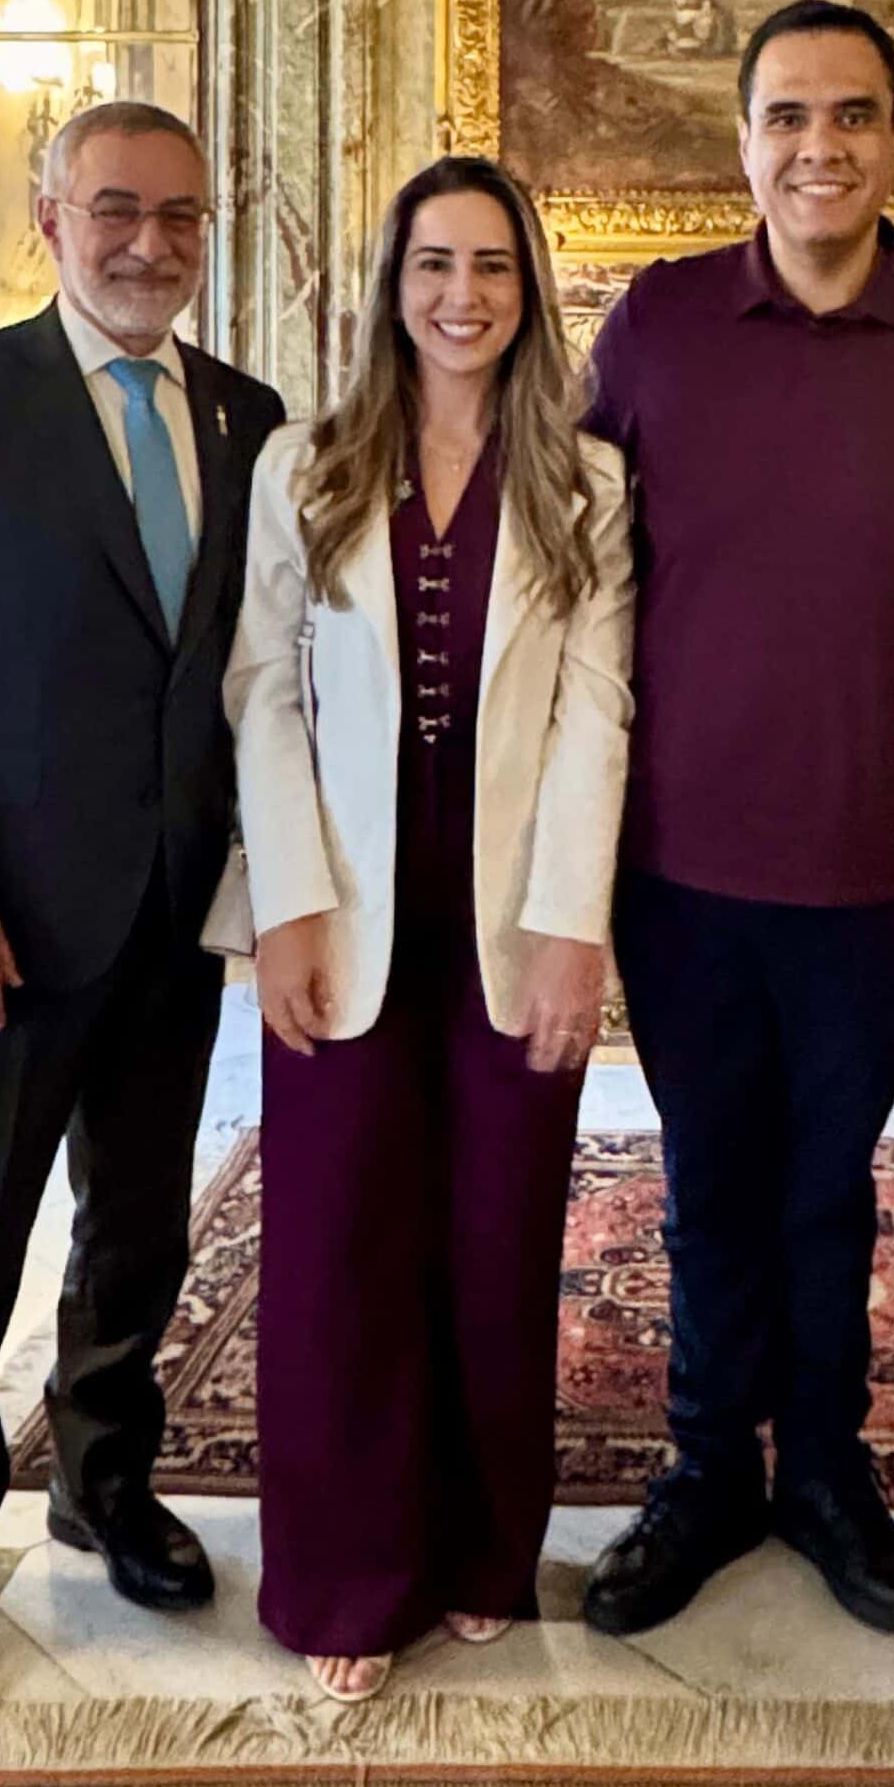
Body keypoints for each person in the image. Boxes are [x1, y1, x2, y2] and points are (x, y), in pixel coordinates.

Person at [578, 0, 894, 1641]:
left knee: (826, 1181)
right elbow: (570, 578)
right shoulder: (655, 325)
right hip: (672, 861)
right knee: (711, 1174)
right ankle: (708, 1469)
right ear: (741, 140)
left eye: (851, 114)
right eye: (786, 115)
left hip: (870, 864)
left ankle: (827, 1475)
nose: (819, 146)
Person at [0, 101, 285, 1715]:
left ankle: (104, 1478)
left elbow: (242, 674)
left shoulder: (248, 417)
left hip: (168, 921)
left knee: (140, 1228)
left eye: (179, 215)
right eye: (115, 210)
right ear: (50, 220)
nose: (149, 244)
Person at [228, 155, 634, 1702]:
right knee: (338, 1242)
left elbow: (599, 711)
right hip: (343, 907)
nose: (462, 295)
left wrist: (572, 931)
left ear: (529, 294)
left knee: (495, 1234)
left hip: (511, 916)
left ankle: (478, 1549)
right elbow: (262, 690)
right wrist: (287, 906)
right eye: (433, 265)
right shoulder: (304, 466)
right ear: (391, 287)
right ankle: (345, 1573)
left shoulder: (587, 484)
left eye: (491, 267)